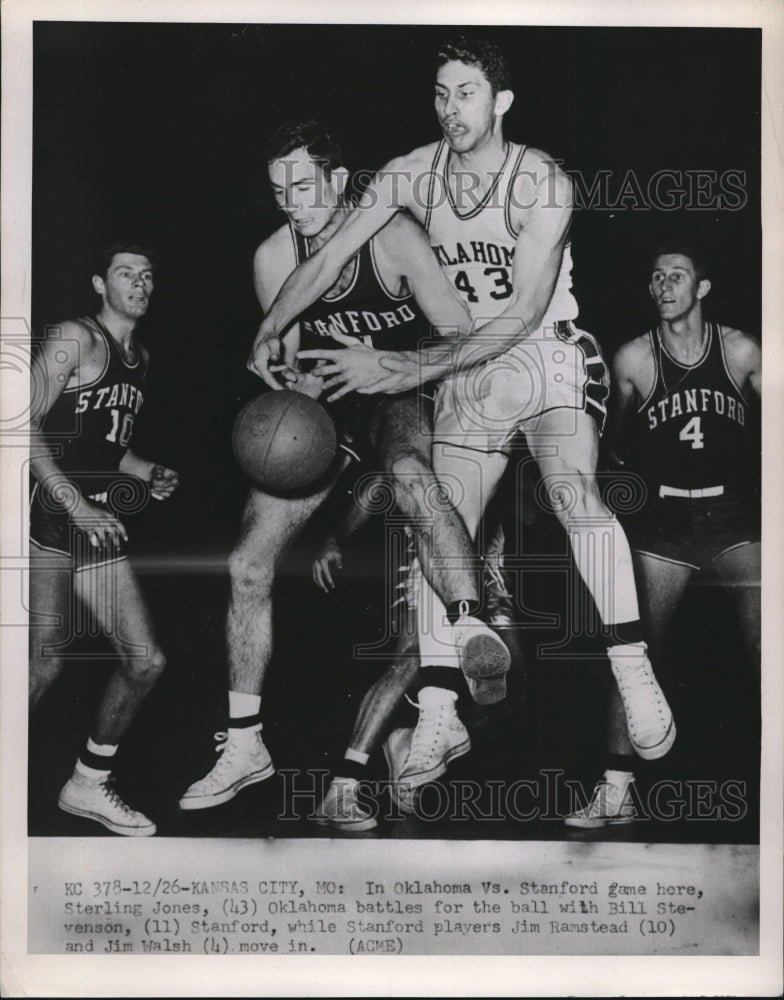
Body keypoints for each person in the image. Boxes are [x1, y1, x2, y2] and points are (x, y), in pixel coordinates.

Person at [249, 37, 676, 802]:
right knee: (439, 525)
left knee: (576, 493)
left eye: (467, 93)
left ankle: (633, 669)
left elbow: (519, 315)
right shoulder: (412, 172)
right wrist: (271, 323)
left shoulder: (542, 181)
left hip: (541, 352)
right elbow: (326, 254)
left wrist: (403, 368)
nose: (452, 108)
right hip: (465, 369)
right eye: (441, 93)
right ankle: (440, 710)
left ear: (501, 102)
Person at [178, 120, 509, 813]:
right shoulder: (275, 257)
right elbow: (292, 364)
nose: (290, 201)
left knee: (414, 474)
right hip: (328, 416)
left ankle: (471, 626)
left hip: (402, 391)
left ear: (336, 179)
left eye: (301, 185)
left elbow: (461, 339)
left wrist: (385, 367)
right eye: (277, 190)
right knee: (246, 563)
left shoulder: (393, 237)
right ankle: (245, 744)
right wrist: (284, 385)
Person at [565, 243, 761, 828]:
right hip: (666, 524)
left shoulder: (742, 349)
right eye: (656, 278)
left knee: (768, 645)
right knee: (635, 654)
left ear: (702, 288)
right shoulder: (632, 359)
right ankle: (617, 789)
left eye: (677, 276)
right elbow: (607, 444)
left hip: (735, 518)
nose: (664, 286)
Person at [29, 244, 179, 836]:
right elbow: (20, 423)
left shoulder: (139, 357)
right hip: (48, 510)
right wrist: (76, 503)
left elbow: (103, 444)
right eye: (126, 273)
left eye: (147, 275)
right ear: (99, 282)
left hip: (87, 520)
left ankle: (87, 784)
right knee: (45, 665)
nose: (140, 283)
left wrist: (145, 471)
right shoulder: (74, 336)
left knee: (133, 662)